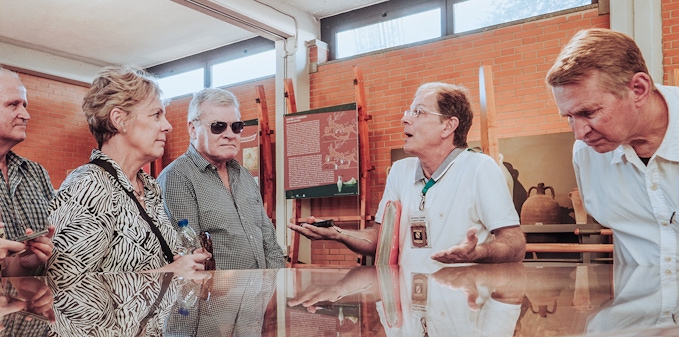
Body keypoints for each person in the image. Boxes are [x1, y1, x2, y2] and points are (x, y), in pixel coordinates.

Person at [288, 82, 526, 265]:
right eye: (409, 111)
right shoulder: (400, 172)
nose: (404, 119)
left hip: (460, 309)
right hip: (409, 312)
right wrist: (338, 233)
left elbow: (515, 244)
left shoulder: (479, 168)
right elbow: (378, 237)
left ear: (448, 126)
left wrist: (479, 252)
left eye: (418, 112)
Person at [546, 28, 679, 267]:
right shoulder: (586, 155)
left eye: (588, 112)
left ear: (638, 89)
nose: (579, 133)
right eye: (570, 117)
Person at [47, 65, 208, 282]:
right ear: (119, 120)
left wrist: (184, 263)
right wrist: (170, 272)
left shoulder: (149, 187)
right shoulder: (88, 185)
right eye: (156, 115)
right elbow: (66, 285)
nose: (168, 126)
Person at [157, 88, 285, 270]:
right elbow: (190, 257)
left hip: (261, 295)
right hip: (217, 297)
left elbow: (270, 244)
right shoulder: (177, 178)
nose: (230, 134)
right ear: (193, 129)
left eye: (236, 126)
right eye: (218, 126)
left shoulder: (244, 176)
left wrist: (277, 289)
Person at [0, 68, 55, 276]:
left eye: (24, 105)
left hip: (31, 303)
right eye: (13, 104)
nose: (26, 115)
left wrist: (25, 263)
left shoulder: (36, 173)